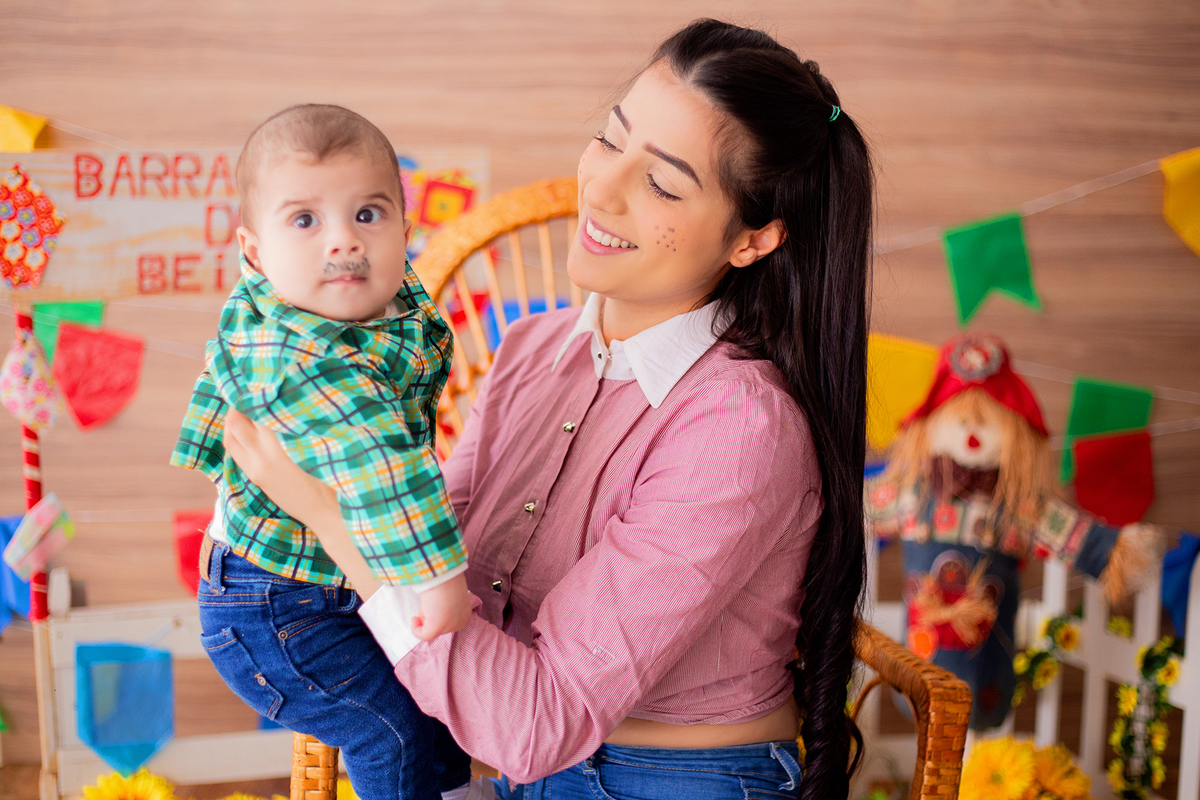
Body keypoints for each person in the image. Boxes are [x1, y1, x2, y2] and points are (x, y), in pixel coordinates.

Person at [223, 19, 874, 800]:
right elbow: (438, 562)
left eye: (662, 183)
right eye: (609, 138)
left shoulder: (738, 430)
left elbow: (535, 721)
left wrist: (333, 514)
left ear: (754, 240)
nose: (599, 188)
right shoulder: (533, 350)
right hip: (537, 773)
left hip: (676, 781)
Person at [170, 104, 472, 800]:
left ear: (405, 224)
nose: (344, 243)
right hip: (273, 608)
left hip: (333, 576)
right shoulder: (301, 354)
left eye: (368, 214)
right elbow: (385, 469)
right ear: (254, 251)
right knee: (386, 729)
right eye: (305, 221)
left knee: (440, 714)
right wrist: (441, 581)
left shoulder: (378, 297)